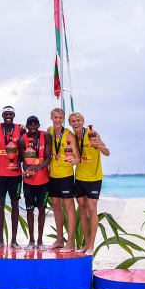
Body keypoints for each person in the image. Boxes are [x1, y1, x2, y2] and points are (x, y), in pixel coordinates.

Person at [69, 112, 110, 255]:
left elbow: (107, 153)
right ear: (70, 123)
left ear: (83, 121)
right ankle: (86, 244)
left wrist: (100, 146)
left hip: (94, 178)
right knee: (81, 209)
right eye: (73, 121)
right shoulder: (72, 137)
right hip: (79, 178)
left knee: (92, 210)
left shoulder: (92, 134)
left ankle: (91, 246)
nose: (76, 123)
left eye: (78, 120)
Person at [0, 106, 26, 248]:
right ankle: (0, 240)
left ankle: (14, 240)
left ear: (14, 115)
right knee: (0, 205)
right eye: (6, 114)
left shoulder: (20, 129)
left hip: (15, 174)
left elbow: (26, 148)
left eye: (11, 114)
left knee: (15, 205)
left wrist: (20, 162)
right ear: (3, 115)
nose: (8, 116)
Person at [47, 108, 80, 253]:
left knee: (68, 206)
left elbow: (77, 159)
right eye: (55, 117)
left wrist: (72, 160)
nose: (58, 120)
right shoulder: (49, 131)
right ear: (51, 118)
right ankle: (59, 239)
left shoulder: (69, 136)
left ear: (63, 119)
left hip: (66, 176)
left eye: (60, 118)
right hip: (52, 175)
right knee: (55, 205)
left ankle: (70, 242)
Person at [18, 115, 52, 250]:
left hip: (43, 181)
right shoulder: (22, 139)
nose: (32, 127)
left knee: (42, 210)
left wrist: (37, 168)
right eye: (30, 125)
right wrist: (27, 171)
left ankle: (40, 241)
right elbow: (21, 159)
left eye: (35, 124)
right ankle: (31, 241)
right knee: (30, 210)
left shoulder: (46, 136)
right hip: (29, 182)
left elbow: (48, 157)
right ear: (27, 126)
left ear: (38, 125)